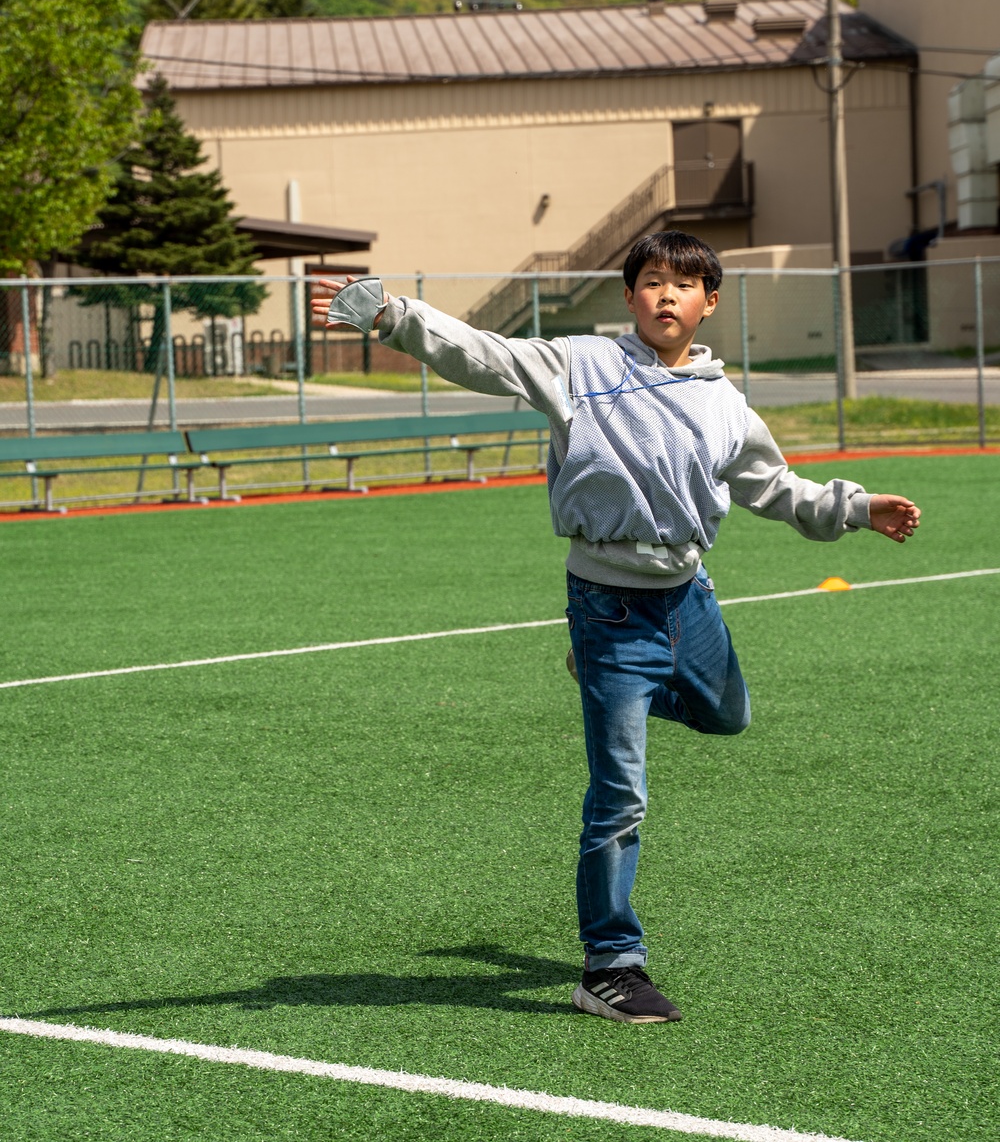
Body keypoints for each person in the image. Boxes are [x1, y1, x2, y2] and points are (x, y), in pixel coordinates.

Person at [310, 232, 920, 1026]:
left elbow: (774, 487)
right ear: (629, 297)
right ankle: (611, 965)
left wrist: (856, 509)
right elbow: (483, 355)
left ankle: (601, 676)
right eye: (653, 281)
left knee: (727, 715)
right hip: (607, 603)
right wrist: (392, 315)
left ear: (709, 303)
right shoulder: (581, 366)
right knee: (620, 796)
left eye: (686, 284)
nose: (668, 295)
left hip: (688, 595)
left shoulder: (723, 401)